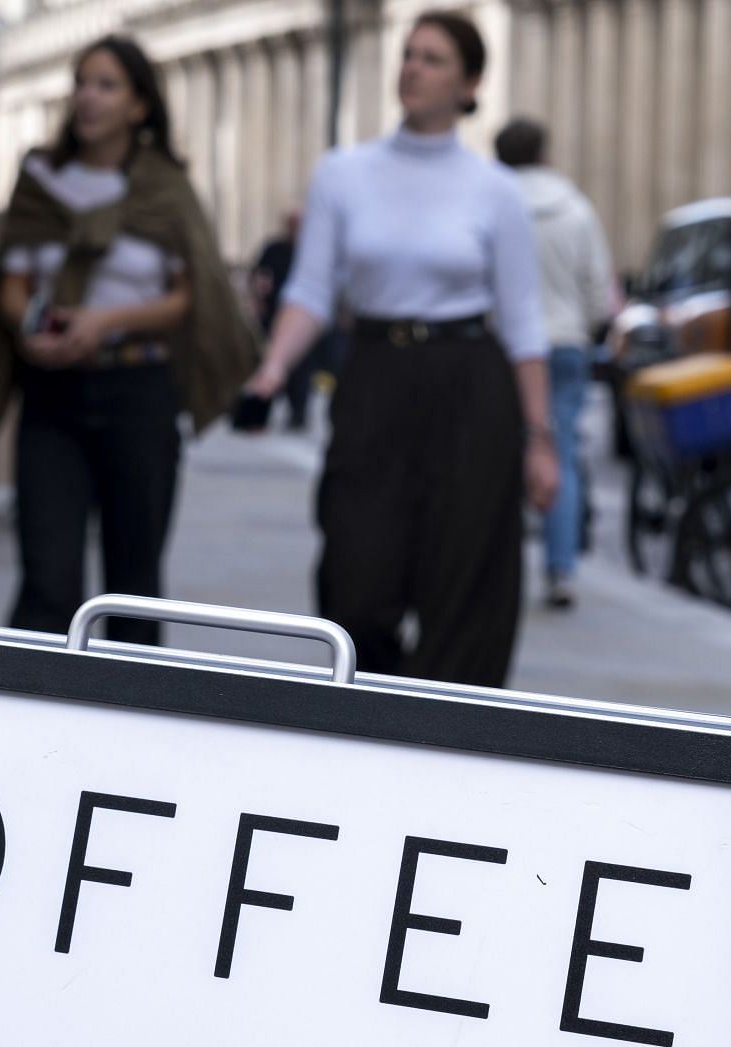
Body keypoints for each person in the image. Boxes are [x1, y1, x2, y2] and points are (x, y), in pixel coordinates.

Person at [245, 10, 556, 688]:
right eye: (409, 54)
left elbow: (524, 320)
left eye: (434, 58)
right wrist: (270, 374)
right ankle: (371, 716)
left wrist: (539, 437)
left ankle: (445, 741)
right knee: (357, 576)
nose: (412, 68)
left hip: (471, 384)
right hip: (375, 376)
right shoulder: (343, 173)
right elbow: (311, 289)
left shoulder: (495, 190)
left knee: (465, 583)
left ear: (470, 82)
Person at [0, 35, 255, 647]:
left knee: (133, 583)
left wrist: (104, 321)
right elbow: (10, 285)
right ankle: (31, 718)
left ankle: (130, 724)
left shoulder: (165, 188)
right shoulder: (40, 180)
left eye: (107, 85)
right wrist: (32, 329)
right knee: (47, 579)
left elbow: (187, 295)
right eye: (82, 83)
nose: (88, 98)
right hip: (52, 392)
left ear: (139, 105)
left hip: (137, 389)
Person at [495, 117, 619, 609]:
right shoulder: (576, 208)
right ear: (544, 152)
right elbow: (599, 286)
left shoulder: (495, 202)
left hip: (506, 345)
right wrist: (584, 328)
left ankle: (495, 566)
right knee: (559, 453)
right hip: (566, 342)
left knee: (499, 458)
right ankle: (560, 570)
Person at [244, 209, 321, 431]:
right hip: (273, 312)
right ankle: (257, 415)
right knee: (266, 361)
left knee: (302, 368)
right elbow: (258, 273)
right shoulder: (274, 248)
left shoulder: (311, 249)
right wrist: (258, 297)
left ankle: (298, 413)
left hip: (303, 316)